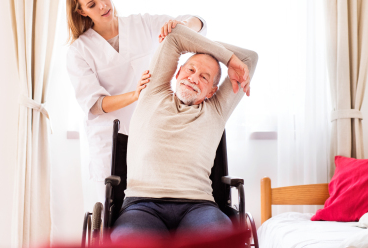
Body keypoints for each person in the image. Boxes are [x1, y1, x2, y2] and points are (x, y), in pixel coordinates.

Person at [65, 0, 208, 206]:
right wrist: (135, 95)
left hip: (152, 133)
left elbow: (198, 22)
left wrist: (182, 27)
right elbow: (95, 104)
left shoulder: (141, 24)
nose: (103, 6)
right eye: (92, 4)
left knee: (150, 207)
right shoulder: (79, 51)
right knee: (114, 211)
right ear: (81, 11)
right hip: (109, 140)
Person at [110, 23, 258, 241]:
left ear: (212, 91)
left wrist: (229, 59)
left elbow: (249, 59)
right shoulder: (153, 92)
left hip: (198, 207)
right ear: (178, 72)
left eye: (205, 77)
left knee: (217, 240)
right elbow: (176, 36)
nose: (193, 78)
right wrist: (228, 58)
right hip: (142, 206)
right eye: (190, 70)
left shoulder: (216, 110)